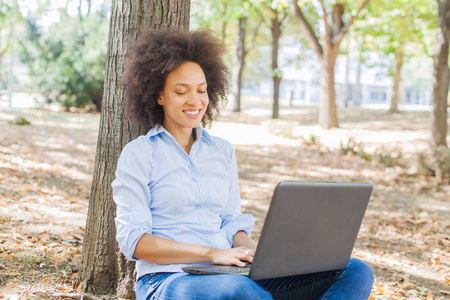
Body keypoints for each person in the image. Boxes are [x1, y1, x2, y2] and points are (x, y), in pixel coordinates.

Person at [112, 29, 374, 300]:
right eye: (181, 91)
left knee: (354, 270)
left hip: (228, 271)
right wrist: (213, 253)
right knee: (238, 290)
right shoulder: (139, 154)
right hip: (168, 279)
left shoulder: (221, 151)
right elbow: (136, 242)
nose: (195, 100)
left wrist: (254, 252)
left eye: (202, 90)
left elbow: (229, 221)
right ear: (159, 96)